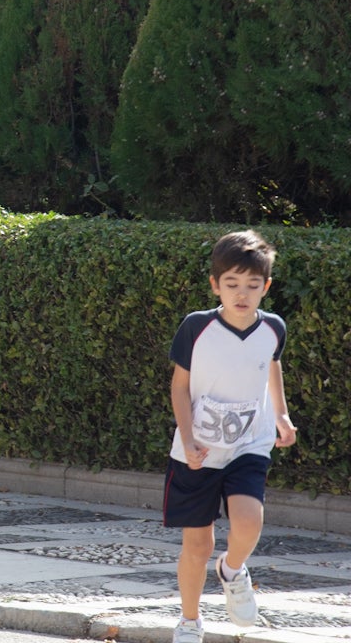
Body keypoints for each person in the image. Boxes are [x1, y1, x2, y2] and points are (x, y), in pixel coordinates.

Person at [164, 230, 296, 643]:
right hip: (199, 449)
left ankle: (232, 570)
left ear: (266, 287)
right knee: (197, 545)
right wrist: (188, 439)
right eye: (232, 283)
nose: (242, 294)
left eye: (252, 285)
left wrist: (281, 414)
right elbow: (179, 387)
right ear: (215, 285)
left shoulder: (273, 327)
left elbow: (270, 363)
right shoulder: (196, 327)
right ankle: (189, 621)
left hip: (249, 443)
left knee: (249, 520)